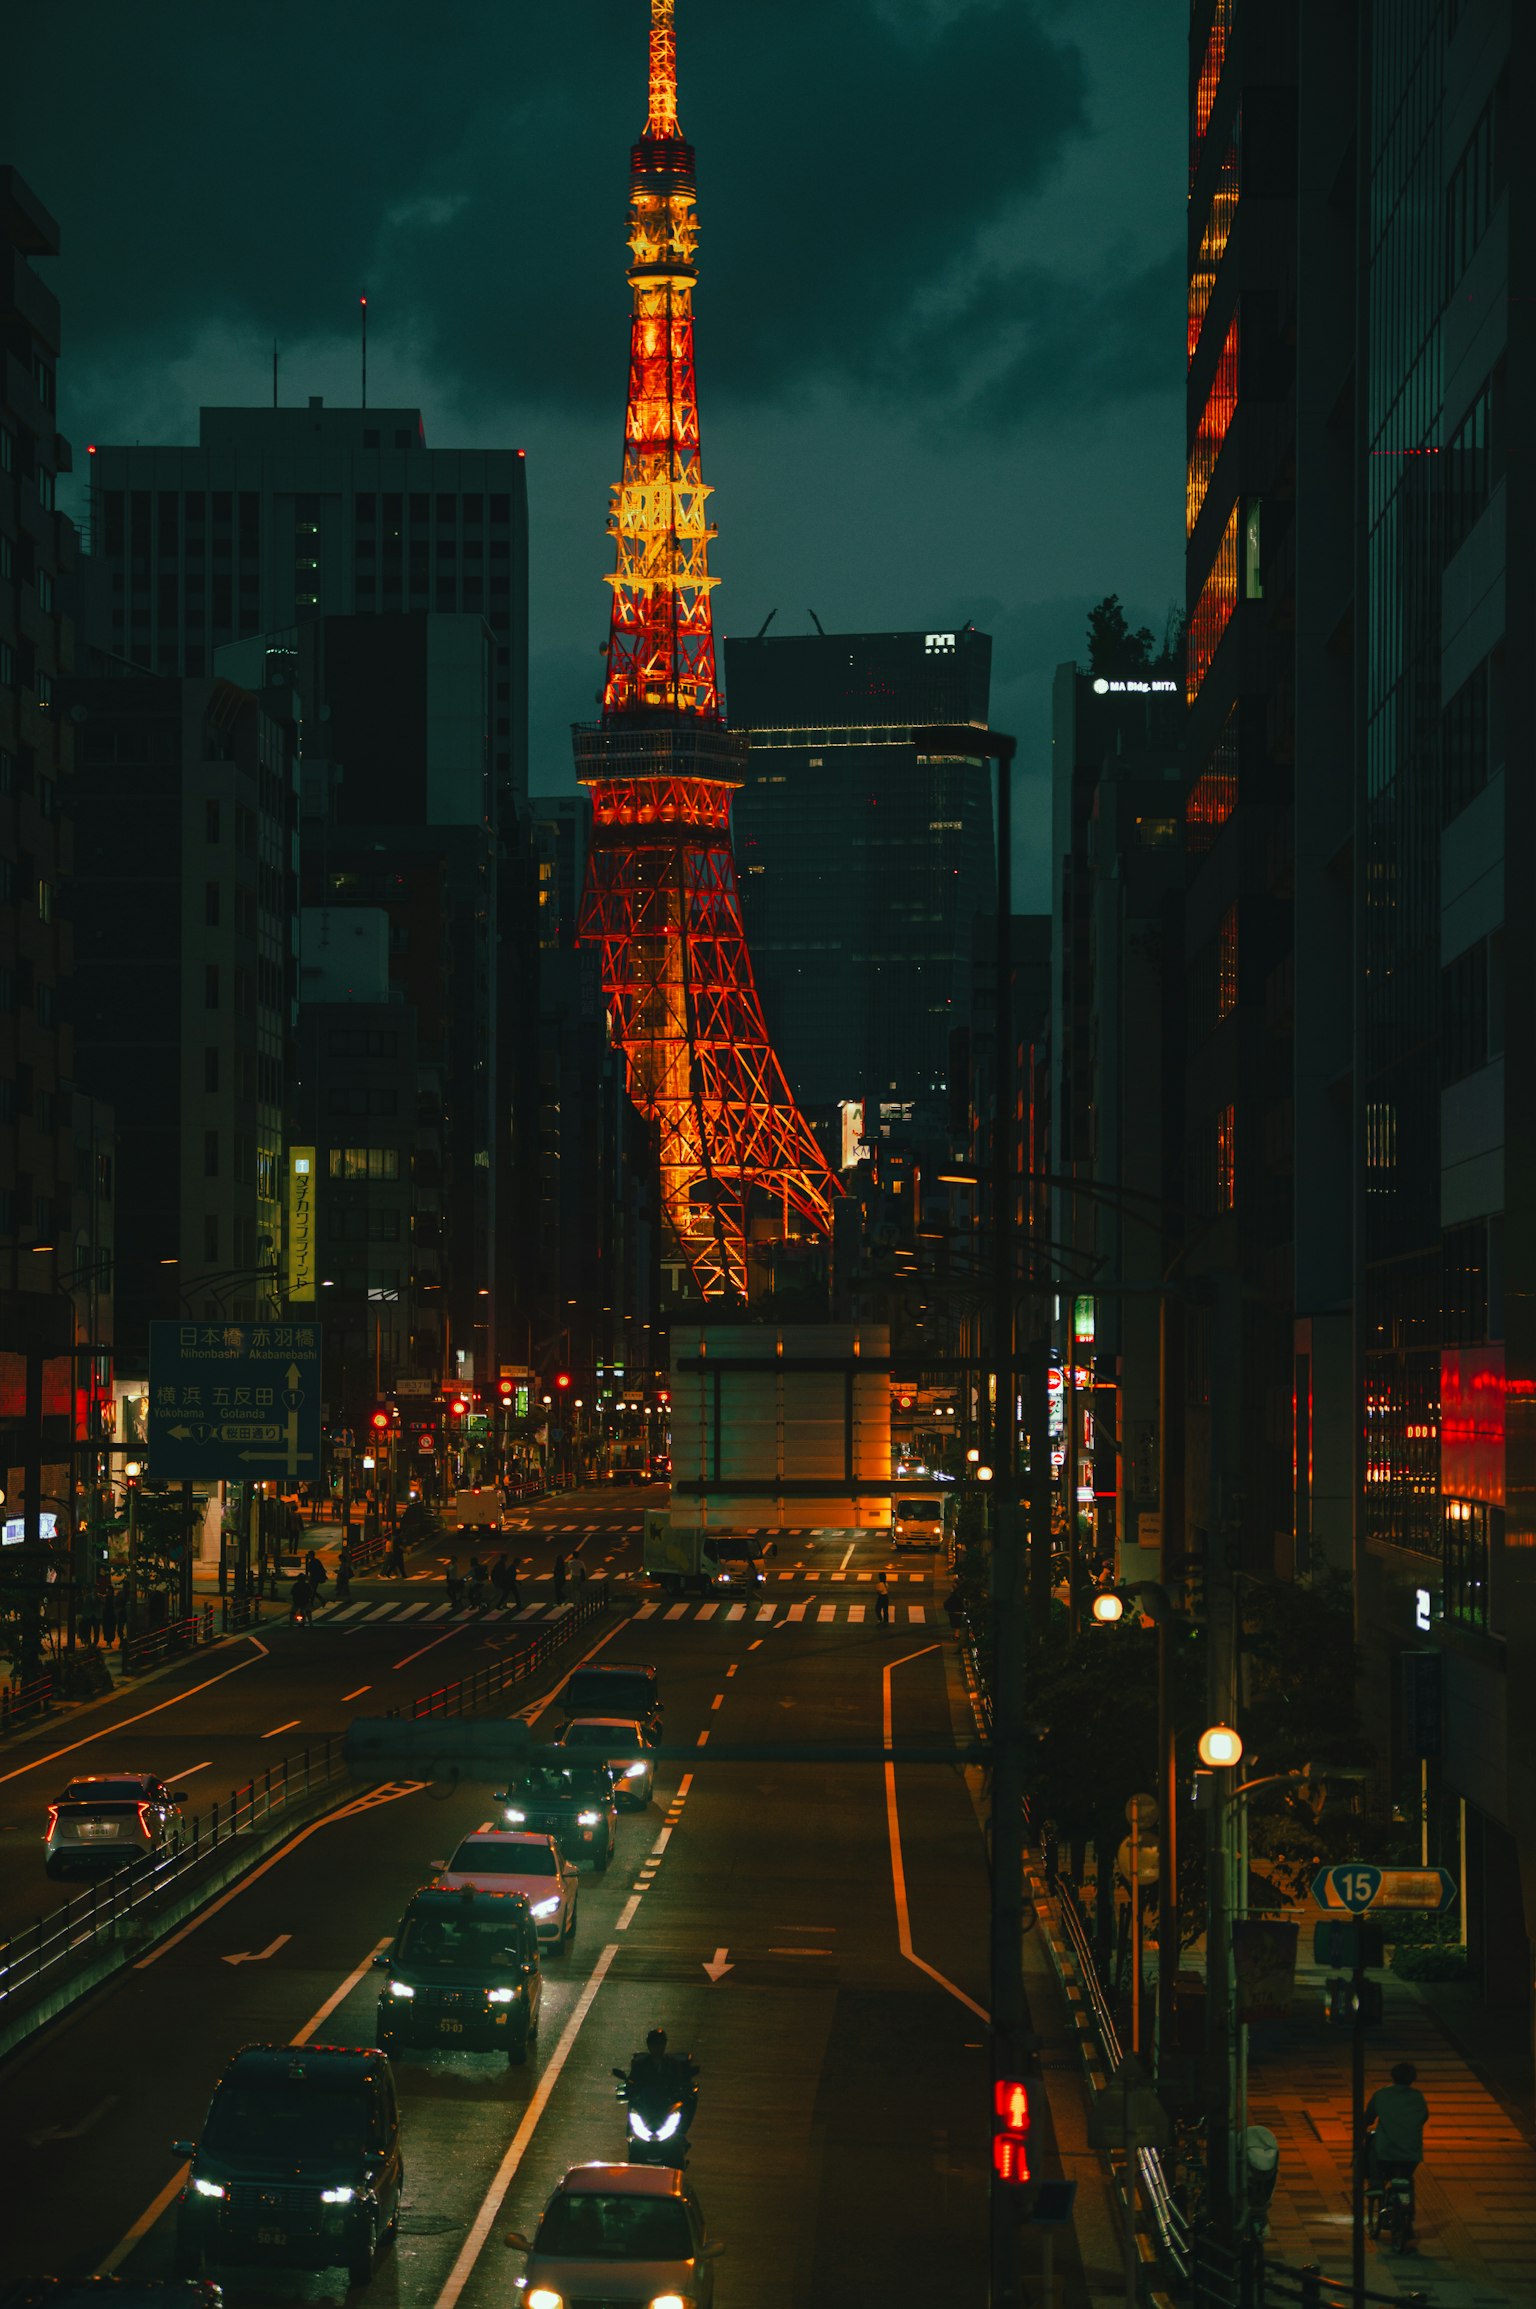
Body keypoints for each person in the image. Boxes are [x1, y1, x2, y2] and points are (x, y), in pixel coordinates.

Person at [1365, 2060, 1428, 2229]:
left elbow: (1368, 2117)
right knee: (1406, 2178)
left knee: (1372, 2145)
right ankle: (1408, 2210)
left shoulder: (1381, 2095)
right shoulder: (1418, 2097)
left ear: (1392, 2076)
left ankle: (1376, 2185)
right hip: (1411, 2153)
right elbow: (1423, 2118)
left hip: (1386, 2151)